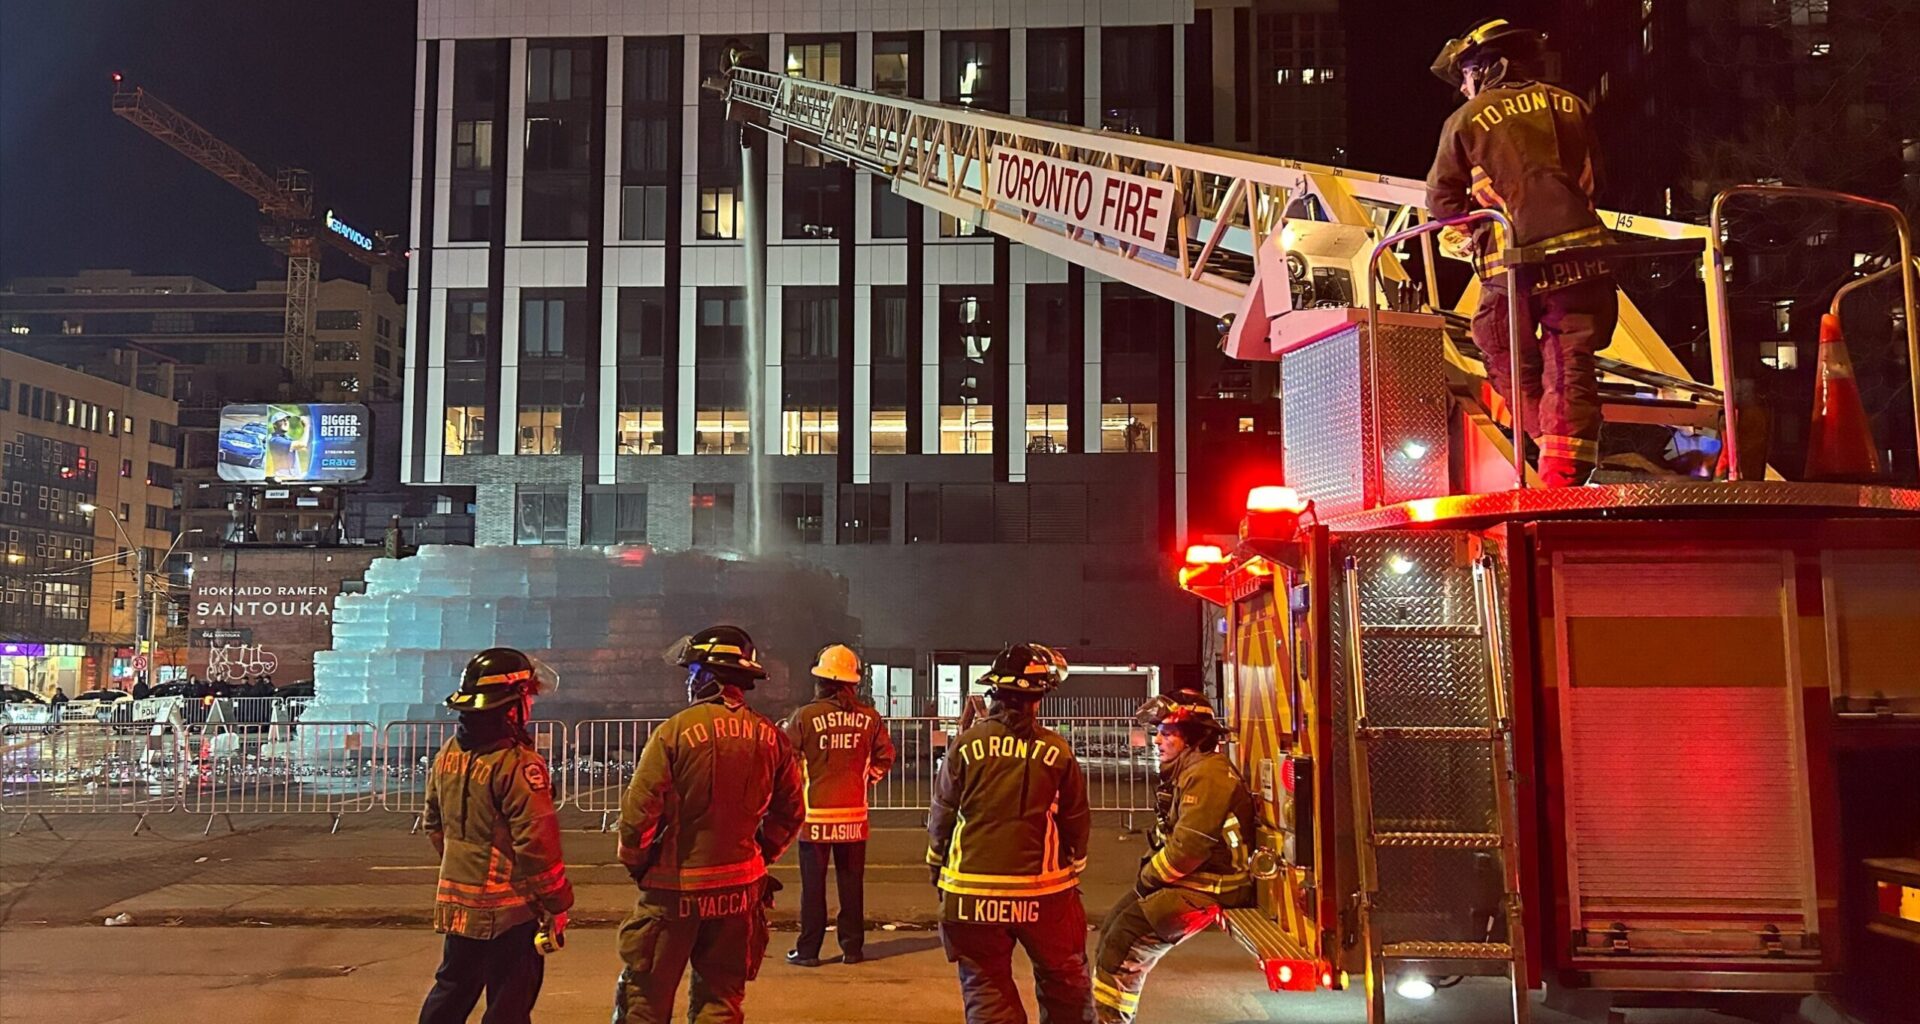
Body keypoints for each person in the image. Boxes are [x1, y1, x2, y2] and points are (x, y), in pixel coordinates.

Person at [1426, 17, 1617, 487]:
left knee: (1499, 345)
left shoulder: (1467, 119)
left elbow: (1442, 199)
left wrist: (1467, 231)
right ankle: (1565, 469)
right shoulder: (1572, 105)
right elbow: (1597, 178)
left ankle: (1547, 444)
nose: (1464, 87)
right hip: (1584, 254)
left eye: (1465, 75)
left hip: (1513, 262)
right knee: (1572, 361)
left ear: (1486, 67)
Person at [614, 625, 805, 1023]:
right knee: (720, 1003)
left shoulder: (673, 733)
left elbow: (637, 817)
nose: (689, 681)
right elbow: (790, 813)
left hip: (673, 889)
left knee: (645, 1002)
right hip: (740, 891)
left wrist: (639, 863)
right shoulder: (771, 736)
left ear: (706, 676)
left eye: (692, 672)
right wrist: (760, 855)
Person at [929, 642, 1094, 1024]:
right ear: (1039, 698)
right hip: (1044, 893)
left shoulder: (965, 746)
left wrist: (938, 867)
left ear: (994, 692)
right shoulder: (1057, 750)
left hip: (970, 893)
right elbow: (1076, 819)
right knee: (1064, 984)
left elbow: (942, 814)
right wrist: (1075, 864)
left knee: (987, 988)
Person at [417, 647, 573, 1024]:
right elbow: (536, 844)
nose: (530, 705)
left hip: (459, 906)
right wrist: (557, 902)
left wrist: (464, 871)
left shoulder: (449, 753)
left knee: (452, 991)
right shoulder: (517, 764)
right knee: (510, 1003)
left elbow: (433, 825)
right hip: (510, 912)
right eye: (527, 697)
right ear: (511, 706)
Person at [1092, 691, 1254, 1023]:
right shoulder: (1193, 770)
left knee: (1125, 941)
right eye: (1158, 732)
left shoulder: (1207, 775)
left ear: (1194, 737)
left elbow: (1188, 850)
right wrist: (1147, 881)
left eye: (1168, 733)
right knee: (1112, 927)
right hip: (1192, 880)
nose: (1157, 740)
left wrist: (1148, 879)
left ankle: (1112, 1019)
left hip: (1209, 886)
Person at [783, 644, 898, 967]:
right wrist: (866, 780)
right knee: (851, 886)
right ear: (853, 682)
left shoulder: (805, 716)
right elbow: (886, 756)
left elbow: (786, 759)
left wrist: (798, 787)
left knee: (813, 889)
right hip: (853, 818)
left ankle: (809, 951)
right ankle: (852, 948)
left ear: (821, 681)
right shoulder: (869, 718)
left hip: (815, 818)